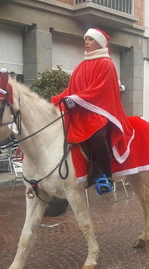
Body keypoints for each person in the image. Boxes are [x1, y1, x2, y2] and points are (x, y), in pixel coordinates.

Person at [52, 28, 134, 195]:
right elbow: (72, 89)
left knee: (97, 134)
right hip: (82, 110)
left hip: (101, 110)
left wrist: (76, 99)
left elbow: (101, 90)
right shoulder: (81, 65)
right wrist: (58, 99)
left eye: (90, 39)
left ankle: (106, 175)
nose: (86, 42)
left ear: (100, 43)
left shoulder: (106, 64)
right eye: (86, 39)